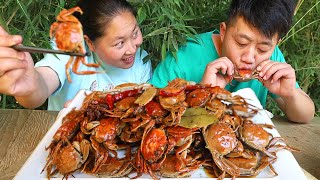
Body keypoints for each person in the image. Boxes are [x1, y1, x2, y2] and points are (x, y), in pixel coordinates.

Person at [150, 0, 315, 123]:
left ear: (275, 45)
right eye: (241, 43)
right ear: (223, 31)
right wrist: (202, 93)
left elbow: (305, 116)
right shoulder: (182, 58)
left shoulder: (273, 59)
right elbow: (149, 115)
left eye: (263, 49)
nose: (249, 58)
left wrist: (290, 94)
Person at [0, 0, 152, 111]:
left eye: (135, 33)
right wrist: (30, 85)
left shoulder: (141, 61)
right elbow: (43, 83)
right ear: (90, 43)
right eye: (119, 43)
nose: (132, 49)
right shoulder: (70, 49)